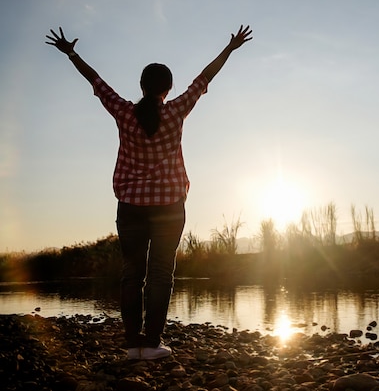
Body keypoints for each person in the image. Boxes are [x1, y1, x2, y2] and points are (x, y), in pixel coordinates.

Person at [45, 25, 252, 360]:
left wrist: (71, 53)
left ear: (142, 86)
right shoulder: (175, 111)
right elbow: (203, 78)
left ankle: (132, 345)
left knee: (132, 274)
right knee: (160, 274)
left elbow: (96, 82)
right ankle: (153, 344)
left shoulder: (125, 112)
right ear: (167, 90)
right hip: (170, 204)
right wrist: (230, 48)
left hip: (130, 205)